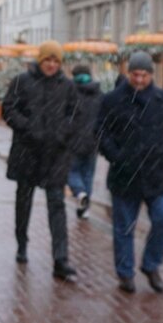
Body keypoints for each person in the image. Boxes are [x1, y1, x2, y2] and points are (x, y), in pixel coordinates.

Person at [96, 51, 163, 295]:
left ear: (151, 75)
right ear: (129, 74)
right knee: (124, 227)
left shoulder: (162, 99)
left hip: (159, 172)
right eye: (135, 75)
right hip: (125, 173)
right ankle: (125, 273)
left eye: (144, 75)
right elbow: (100, 132)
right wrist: (115, 155)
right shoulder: (112, 100)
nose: (139, 80)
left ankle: (151, 265)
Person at [1, 41, 81, 282]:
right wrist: (28, 127)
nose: (52, 65)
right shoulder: (22, 81)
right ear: (40, 60)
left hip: (55, 155)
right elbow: (8, 109)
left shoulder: (67, 86)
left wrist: (62, 133)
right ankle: (22, 243)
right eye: (48, 60)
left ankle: (60, 258)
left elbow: (75, 115)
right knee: (23, 202)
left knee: (57, 205)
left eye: (56, 61)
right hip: (28, 152)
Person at [65, 63, 103, 219]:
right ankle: (85, 208)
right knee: (88, 174)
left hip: (73, 140)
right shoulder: (98, 93)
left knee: (70, 172)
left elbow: (64, 116)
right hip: (93, 141)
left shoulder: (69, 92)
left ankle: (80, 193)